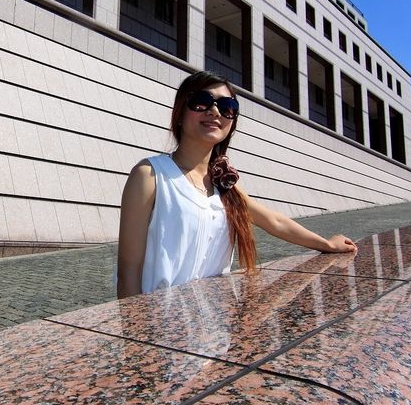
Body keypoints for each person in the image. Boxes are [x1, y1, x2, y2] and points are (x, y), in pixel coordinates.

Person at [116, 71, 358, 299]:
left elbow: (275, 222)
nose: (214, 111)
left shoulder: (225, 184)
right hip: (161, 331)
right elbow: (129, 271)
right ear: (179, 113)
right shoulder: (149, 175)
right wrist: (137, 340)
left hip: (218, 334)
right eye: (201, 101)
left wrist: (326, 244)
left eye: (227, 107)